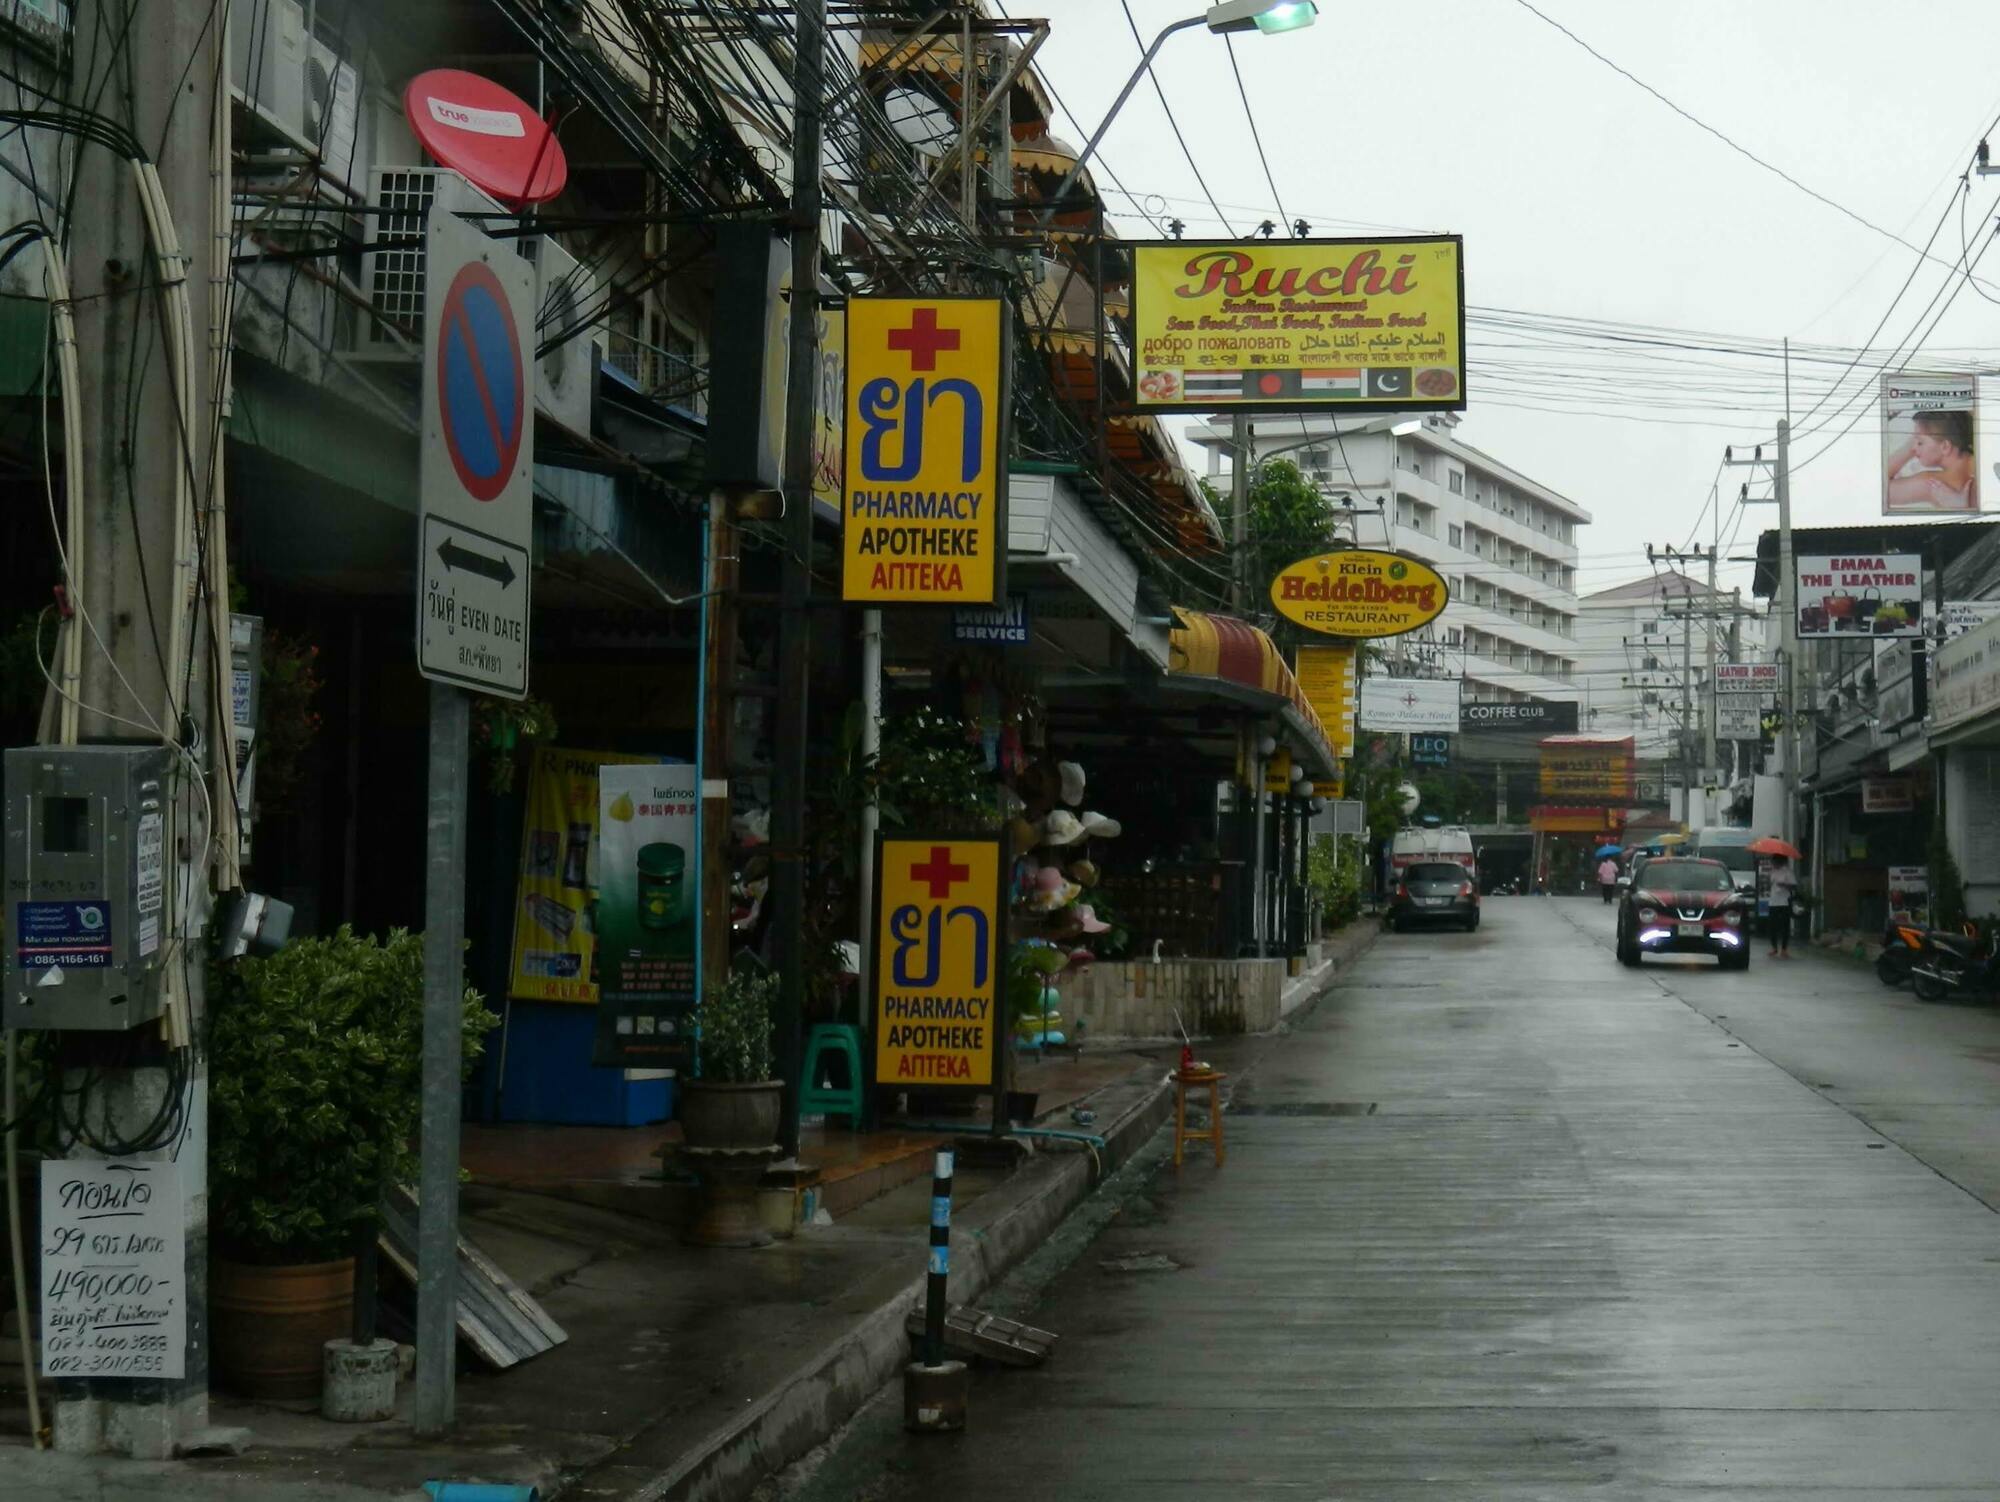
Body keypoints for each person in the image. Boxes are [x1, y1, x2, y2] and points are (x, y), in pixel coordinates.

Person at [1885, 409, 1977, 512]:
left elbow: (1877, 489)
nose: (1914, 448)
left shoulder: (1934, 484)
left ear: (1945, 447)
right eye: (1913, 442)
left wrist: (1908, 448)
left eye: (1920, 442)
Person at [1767, 854, 1796, 959]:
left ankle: (1784, 949)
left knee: (1785, 926)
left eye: (1774, 861)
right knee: (1772, 926)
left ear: (1780, 861)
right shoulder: (1772, 872)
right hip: (1773, 902)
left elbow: (1794, 886)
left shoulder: (1788, 872)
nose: (1773, 863)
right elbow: (1770, 884)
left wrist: (1784, 885)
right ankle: (1774, 948)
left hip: (1784, 902)